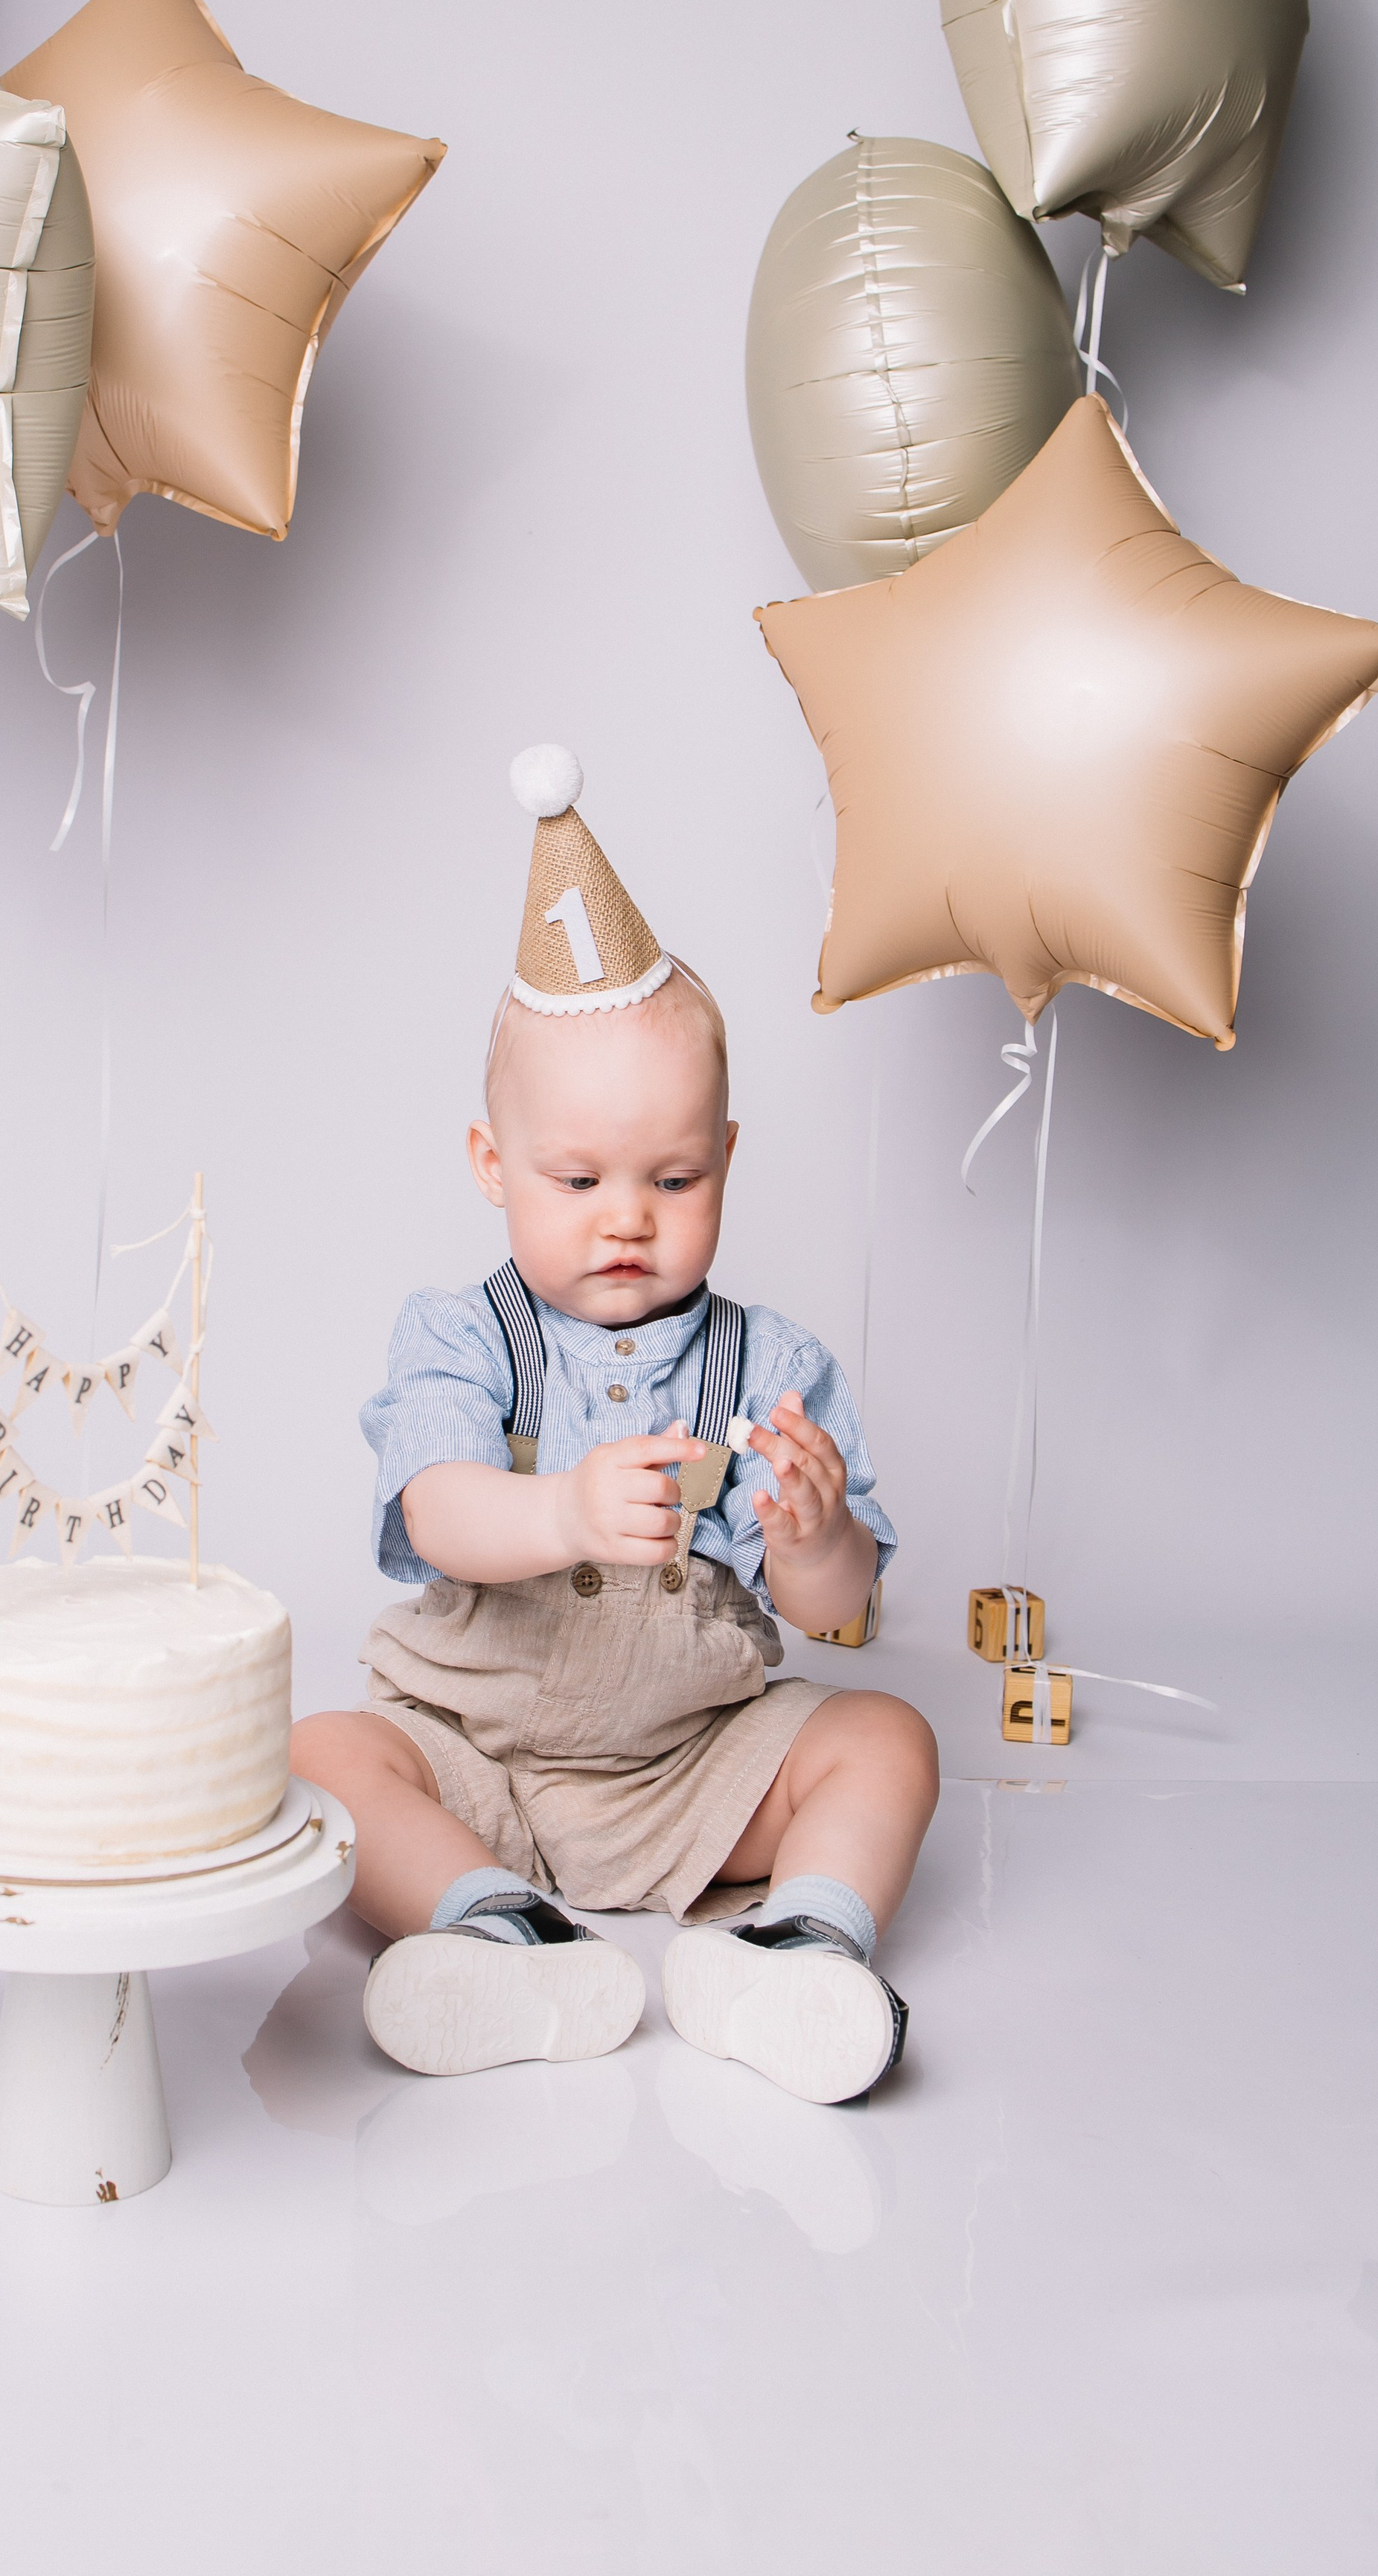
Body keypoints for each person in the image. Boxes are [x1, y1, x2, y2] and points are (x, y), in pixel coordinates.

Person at [293, 747, 937, 2104]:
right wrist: (564, 1513)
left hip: (691, 1769)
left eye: (675, 1175)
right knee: (320, 1758)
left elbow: (834, 1614)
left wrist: (815, 1537)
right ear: (493, 1167)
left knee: (885, 1740)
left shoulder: (770, 1364)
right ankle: (496, 1932)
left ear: (727, 1158)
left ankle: (802, 1951)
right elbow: (434, 1512)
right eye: (577, 1177)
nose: (628, 1215)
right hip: (480, 1757)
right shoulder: (462, 1337)